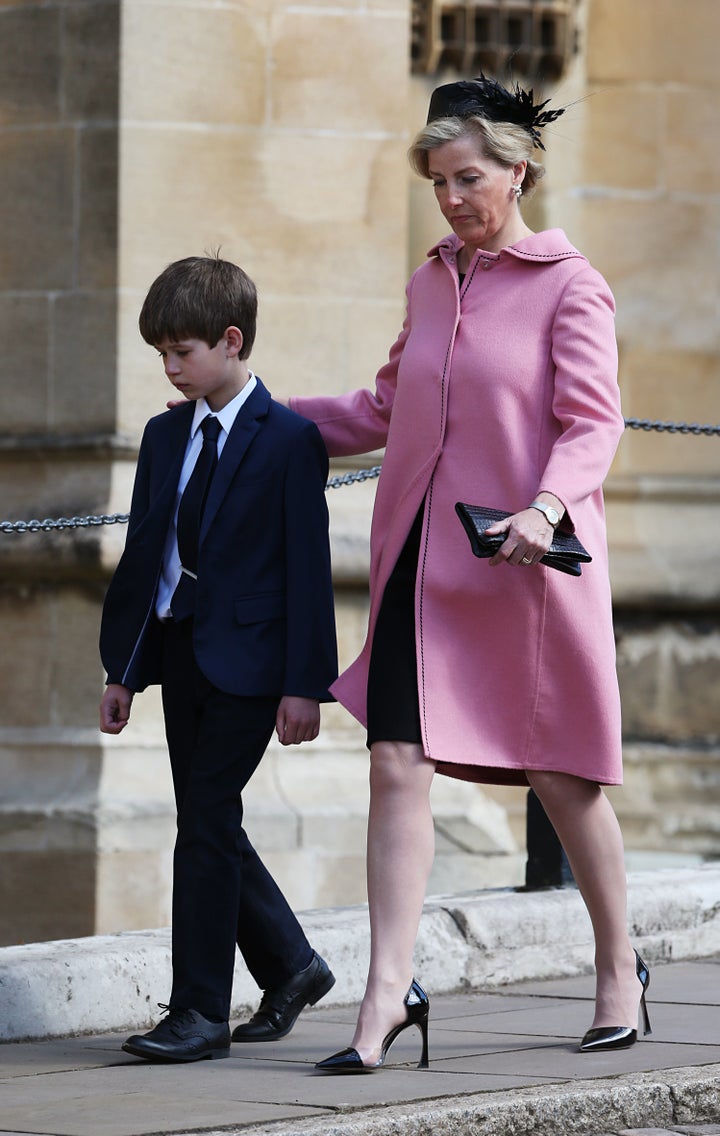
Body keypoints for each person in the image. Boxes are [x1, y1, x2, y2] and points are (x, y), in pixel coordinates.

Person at [288, 76, 651, 1071]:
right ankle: (384, 994)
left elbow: (593, 422)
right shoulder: (430, 278)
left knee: (562, 776)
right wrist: (262, 417)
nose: (451, 196)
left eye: (468, 176)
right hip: (421, 562)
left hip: (522, 561)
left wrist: (545, 506)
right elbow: (384, 406)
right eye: (438, 179)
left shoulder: (569, 283)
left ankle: (619, 965)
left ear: (517, 167)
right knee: (396, 763)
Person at [99, 255, 338, 1063]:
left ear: (231, 341)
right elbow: (146, 559)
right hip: (179, 654)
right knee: (208, 821)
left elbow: (310, 573)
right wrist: (123, 670)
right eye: (161, 353)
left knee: (203, 824)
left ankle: (199, 1012)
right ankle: (293, 966)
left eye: (183, 351)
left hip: (254, 664)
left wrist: (307, 685)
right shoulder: (166, 435)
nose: (170, 368)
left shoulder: (292, 442)